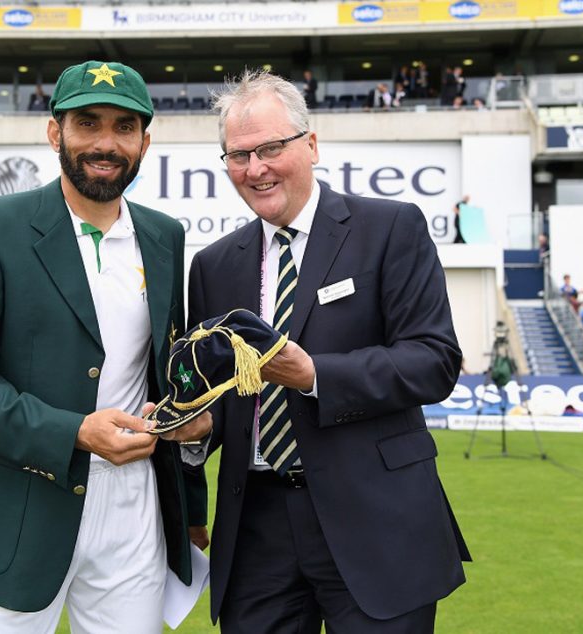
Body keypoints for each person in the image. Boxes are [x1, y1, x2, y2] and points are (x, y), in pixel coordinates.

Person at [0, 60, 210, 634]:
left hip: (135, 507)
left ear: (144, 142)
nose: (106, 143)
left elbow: (171, 377)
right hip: (18, 503)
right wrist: (73, 432)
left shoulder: (164, 236)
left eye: (125, 127)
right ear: (56, 133)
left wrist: (193, 501)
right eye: (88, 123)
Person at [186, 69, 469, 633]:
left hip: (377, 519)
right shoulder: (213, 265)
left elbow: (435, 359)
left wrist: (315, 374)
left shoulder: (389, 228)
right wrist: (196, 431)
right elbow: (217, 397)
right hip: (257, 527)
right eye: (238, 156)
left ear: (311, 145)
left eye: (270, 148)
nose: (255, 168)